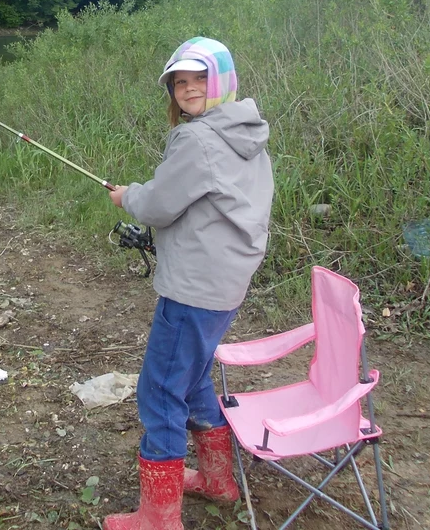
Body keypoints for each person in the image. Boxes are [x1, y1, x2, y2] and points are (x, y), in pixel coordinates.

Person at [104, 37, 274, 530]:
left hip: (194, 288)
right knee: (195, 376)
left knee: (159, 390)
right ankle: (218, 482)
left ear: (222, 80)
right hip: (228, 282)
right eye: (179, 82)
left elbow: (158, 205)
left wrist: (127, 197)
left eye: (199, 79)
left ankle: (159, 516)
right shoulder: (246, 131)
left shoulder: (196, 139)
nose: (187, 90)